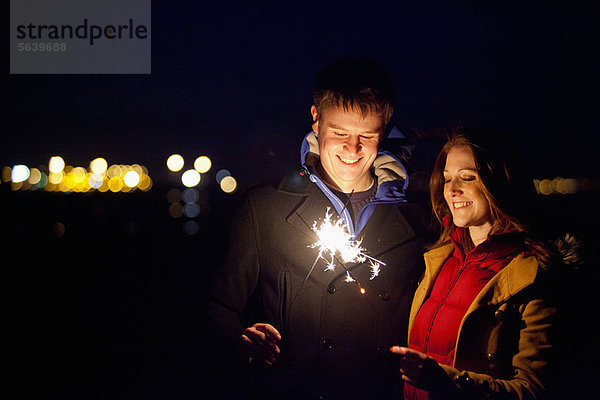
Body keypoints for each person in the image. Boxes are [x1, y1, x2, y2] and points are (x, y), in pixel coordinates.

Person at [201, 57, 428, 399]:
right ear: (316, 119)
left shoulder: (420, 216)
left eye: (366, 135)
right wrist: (239, 337)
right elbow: (215, 306)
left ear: (385, 128)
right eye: (339, 133)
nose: (353, 149)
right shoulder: (265, 207)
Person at [390, 131, 558, 399]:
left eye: (468, 177)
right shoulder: (439, 260)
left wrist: (448, 382)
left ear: (499, 182)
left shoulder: (533, 276)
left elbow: (532, 389)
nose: (452, 189)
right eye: (447, 179)